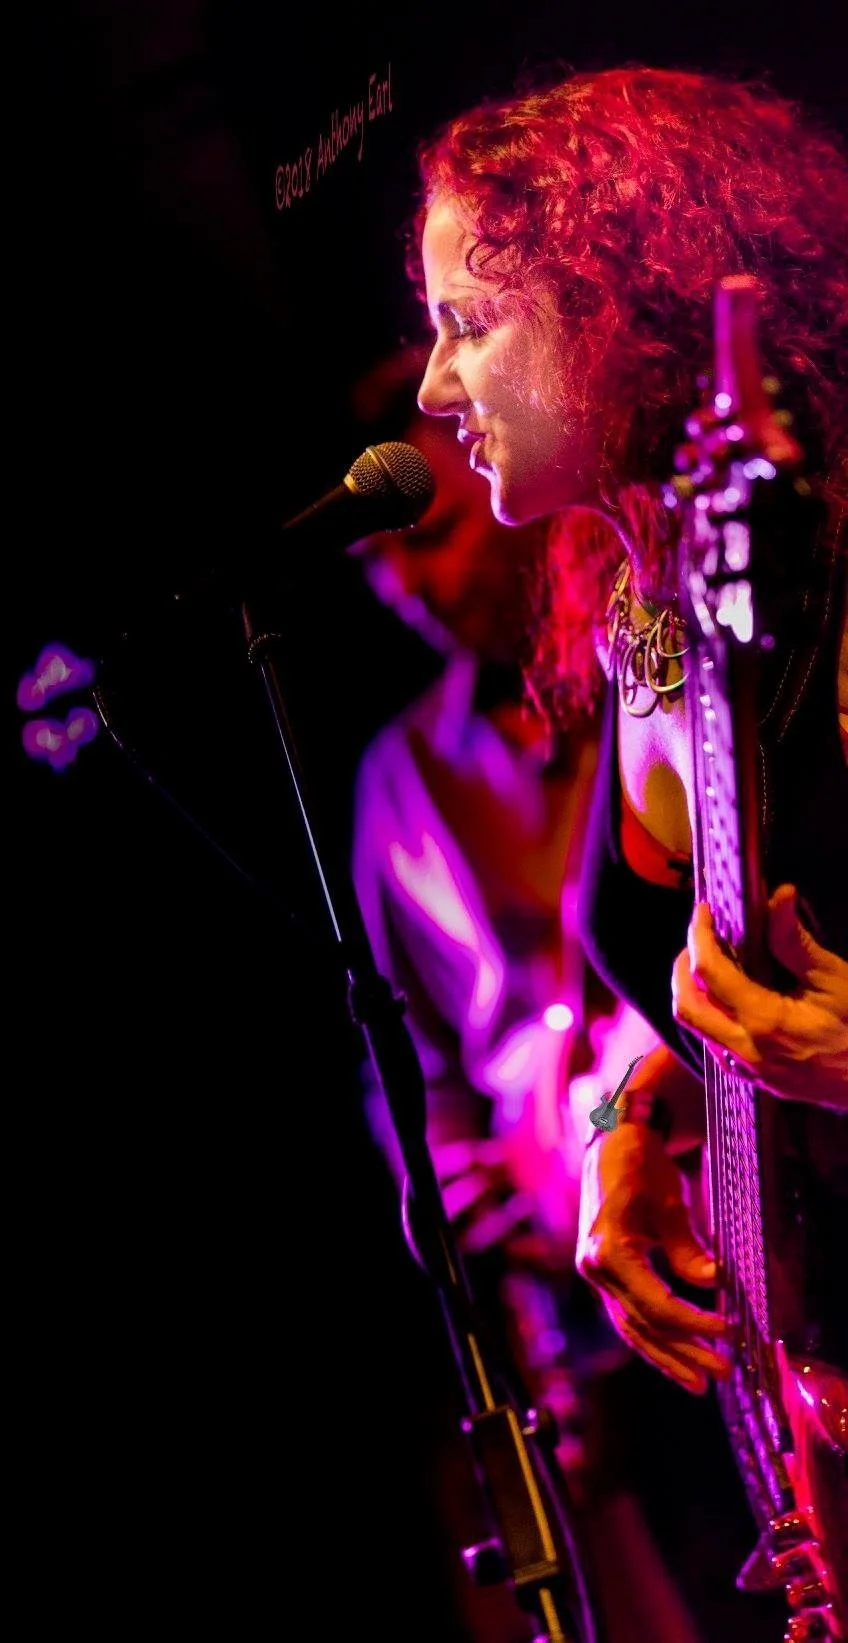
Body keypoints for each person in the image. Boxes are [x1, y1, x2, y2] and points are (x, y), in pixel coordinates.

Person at [405, 60, 847, 1637]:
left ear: (613, 305)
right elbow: (715, 963)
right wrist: (626, 1118)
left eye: (469, 322)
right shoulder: (650, 603)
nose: (433, 390)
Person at [346, 345, 708, 1643]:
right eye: (379, 568)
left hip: (718, 1195)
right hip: (580, 1316)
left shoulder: (650, 652)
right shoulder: (397, 781)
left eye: (430, 534)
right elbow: (409, 1063)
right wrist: (445, 1179)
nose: (408, 586)